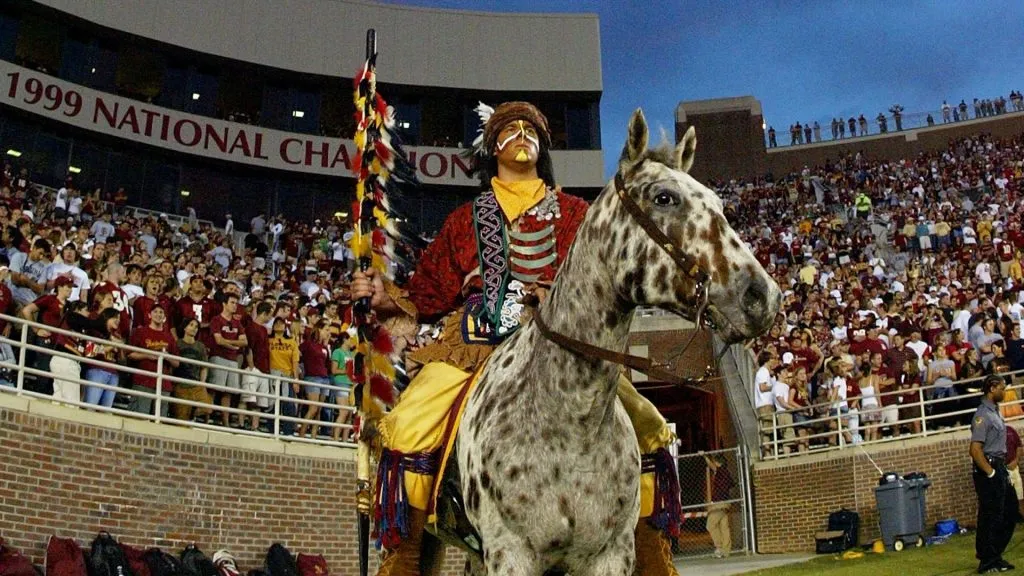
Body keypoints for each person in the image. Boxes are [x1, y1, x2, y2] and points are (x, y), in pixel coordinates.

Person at [351, 101, 683, 575]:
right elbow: (428, 293)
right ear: (493, 146)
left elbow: (603, 276)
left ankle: (653, 560)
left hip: (562, 348)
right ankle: (404, 558)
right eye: (510, 130)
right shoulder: (466, 218)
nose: (522, 135)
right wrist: (383, 297)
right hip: (475, 346)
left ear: (543, 145)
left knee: (649, 427)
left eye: (531, 130)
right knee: (407, 425)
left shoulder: (576, 214)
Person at [970, 375, 1017, 573]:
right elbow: (975, 449)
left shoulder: (995, 412)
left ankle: (994, 554)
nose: (1004, 391)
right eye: (1001, 388)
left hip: (999, 466)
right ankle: (988, 559)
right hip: (988, 468)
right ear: (991, 388)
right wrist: (989, 473)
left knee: (1009, 510)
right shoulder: (983, 415)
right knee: (991, 515)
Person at [703, 452, 735, 559]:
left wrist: (704, 456)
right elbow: (732, 484)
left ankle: (719, 547)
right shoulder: (726, 472)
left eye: (715, 462)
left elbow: (711, 465)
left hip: (719, 503)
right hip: (726, 502)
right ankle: (726, 551)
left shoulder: (719, 471)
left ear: (717, 463)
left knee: (710, 525)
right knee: (724, 527)